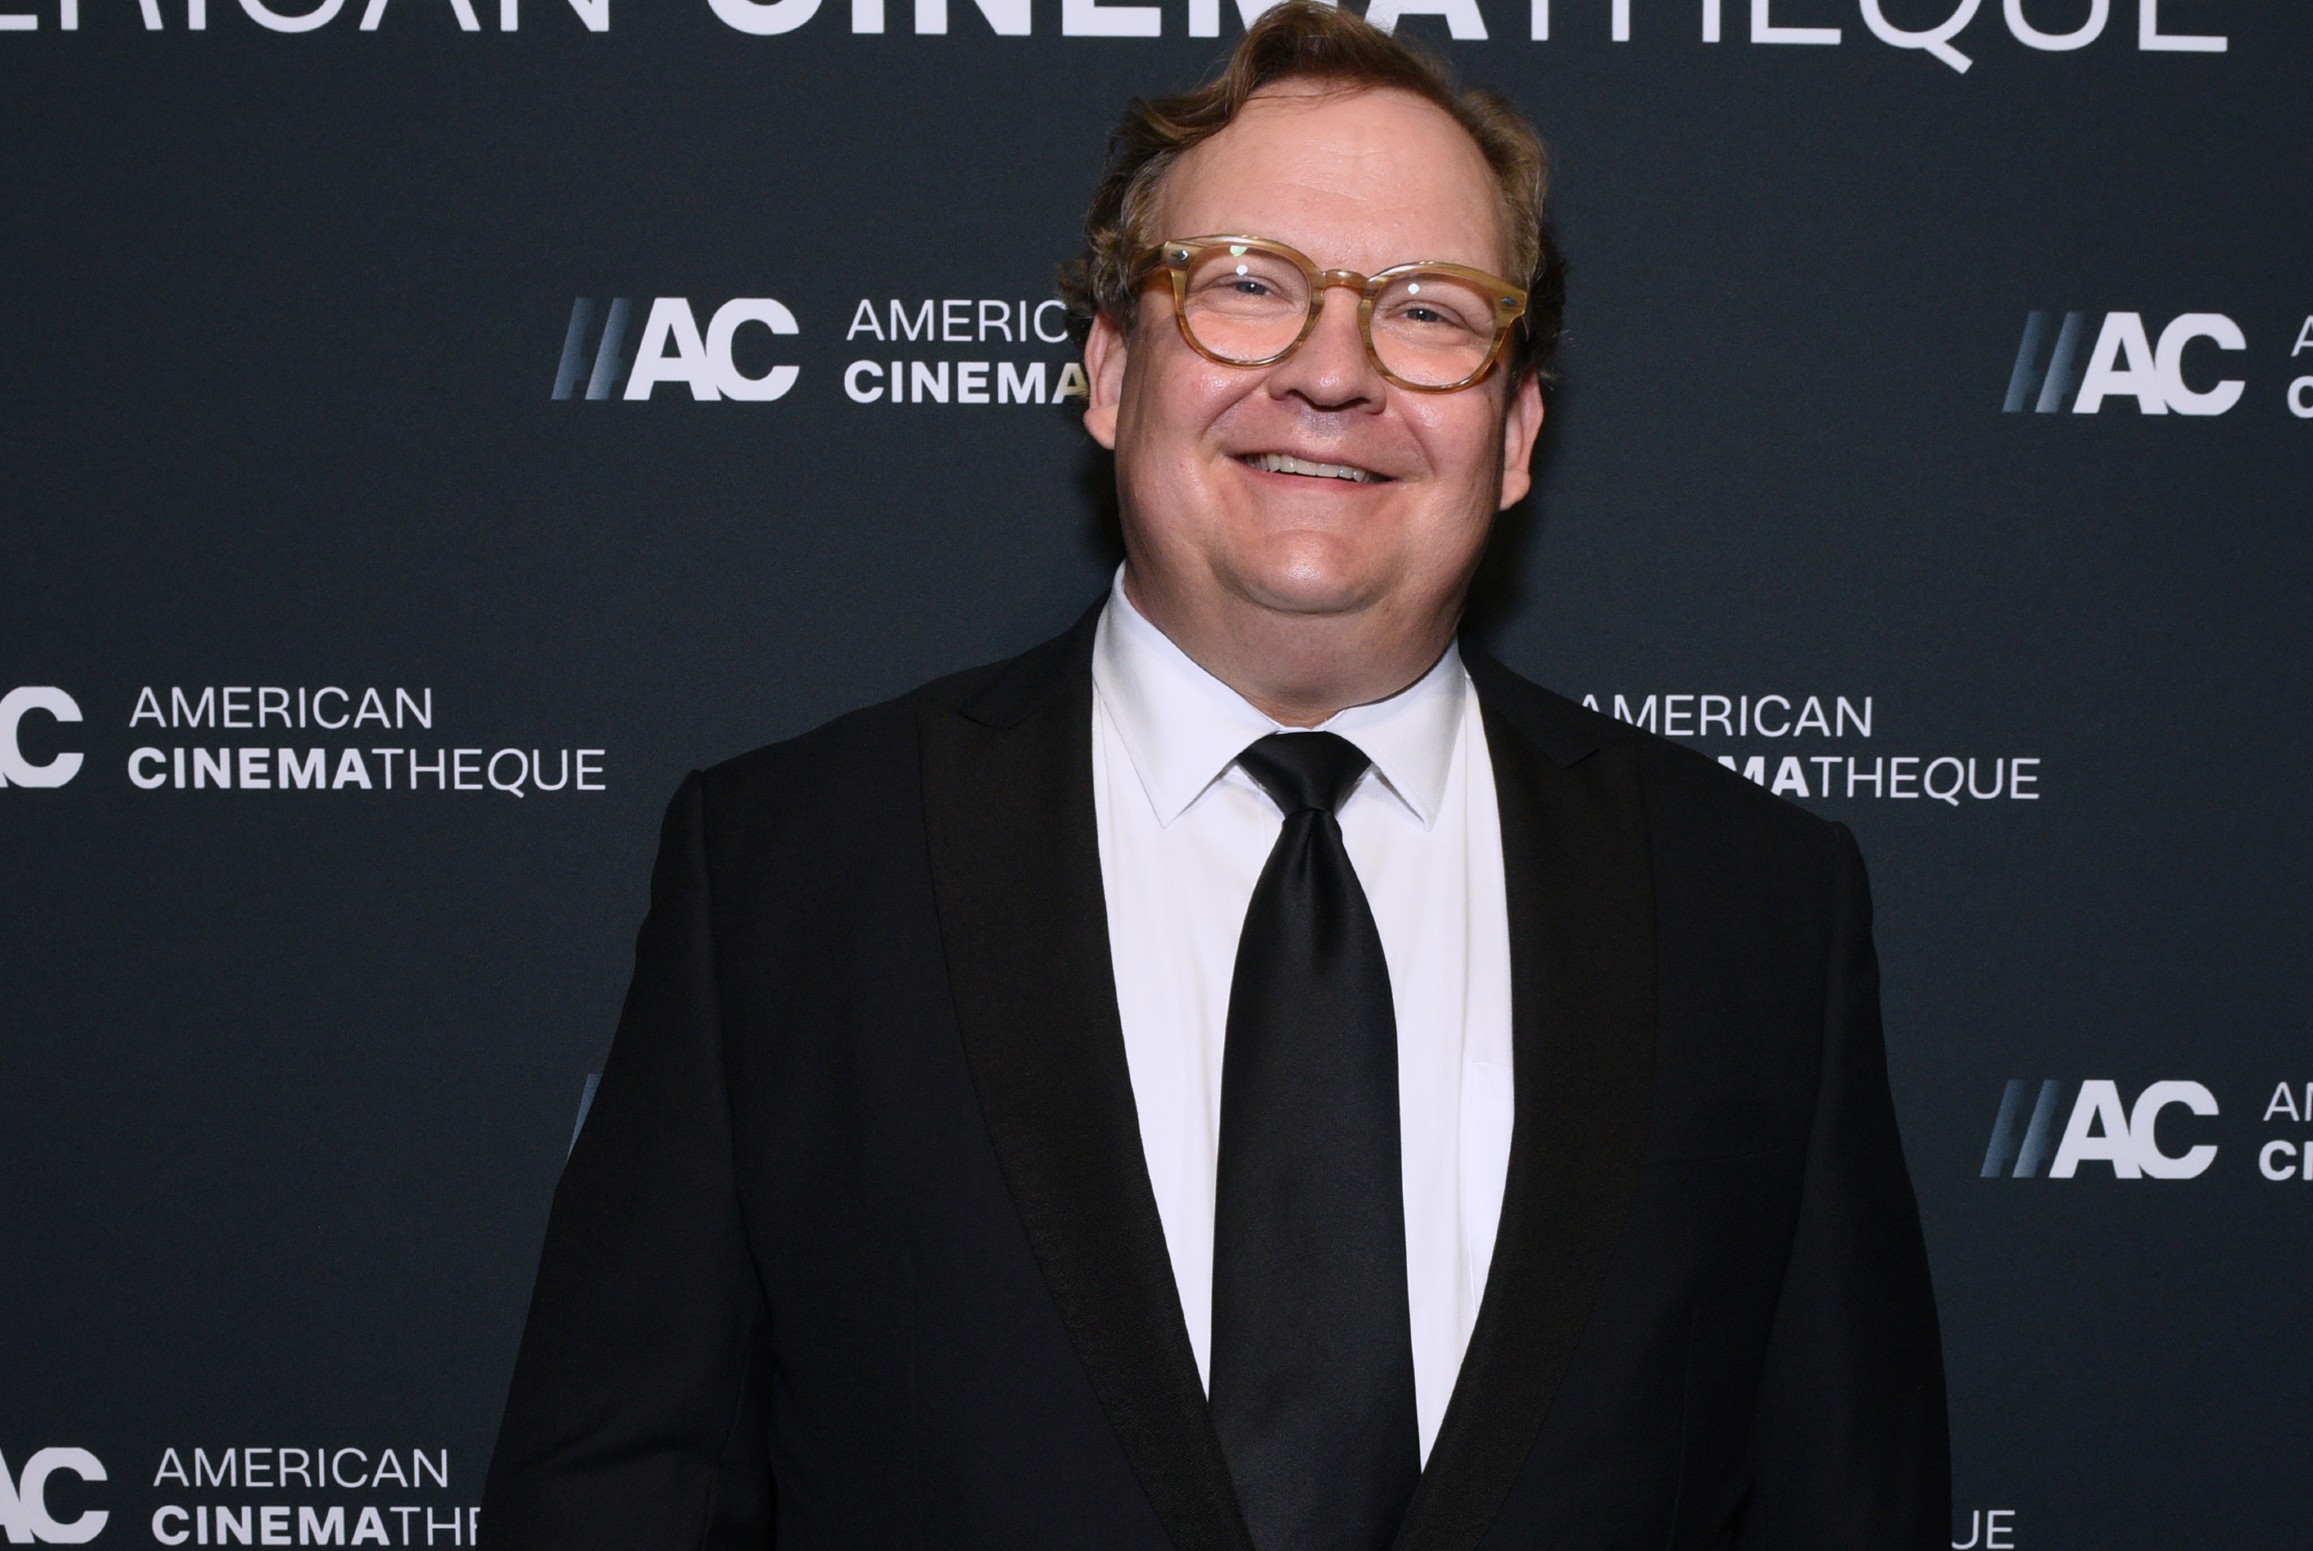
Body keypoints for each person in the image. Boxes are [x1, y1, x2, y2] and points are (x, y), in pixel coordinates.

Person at [480, 5, 1950, 1548]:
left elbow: (1853, 1503)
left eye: (1431, 310)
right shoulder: (788, 875)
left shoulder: (1754, 911)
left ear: (1518, 431)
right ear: (1112, 370)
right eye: (1247, 284)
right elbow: (619, 1501)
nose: (1333, 371)